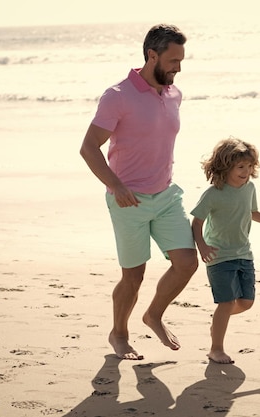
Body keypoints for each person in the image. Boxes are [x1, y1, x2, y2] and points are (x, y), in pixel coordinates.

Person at [79, 24, 198, 360]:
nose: (178, 67)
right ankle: (119, 334)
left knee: (187, 263)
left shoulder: (174, 94)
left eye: (181, 61)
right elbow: (89, 147)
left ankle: (154, 315)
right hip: (128, 200)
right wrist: (115, 185)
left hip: (166, 196)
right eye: (173, 60)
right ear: (152, 55)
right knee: (134, 276)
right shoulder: (117, 96)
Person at [190, 138, 260, 364]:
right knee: (225, 303)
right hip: (219, 256)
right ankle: (216, 348)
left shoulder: (249, 188)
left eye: (249, 166)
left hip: (244, 253)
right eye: (240, 167)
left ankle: (218, 322)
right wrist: (202, 246)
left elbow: (252, 211)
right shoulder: (214, 193)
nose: (246, 171)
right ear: (226, 167)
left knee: (246, 302)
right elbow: (196, 223)